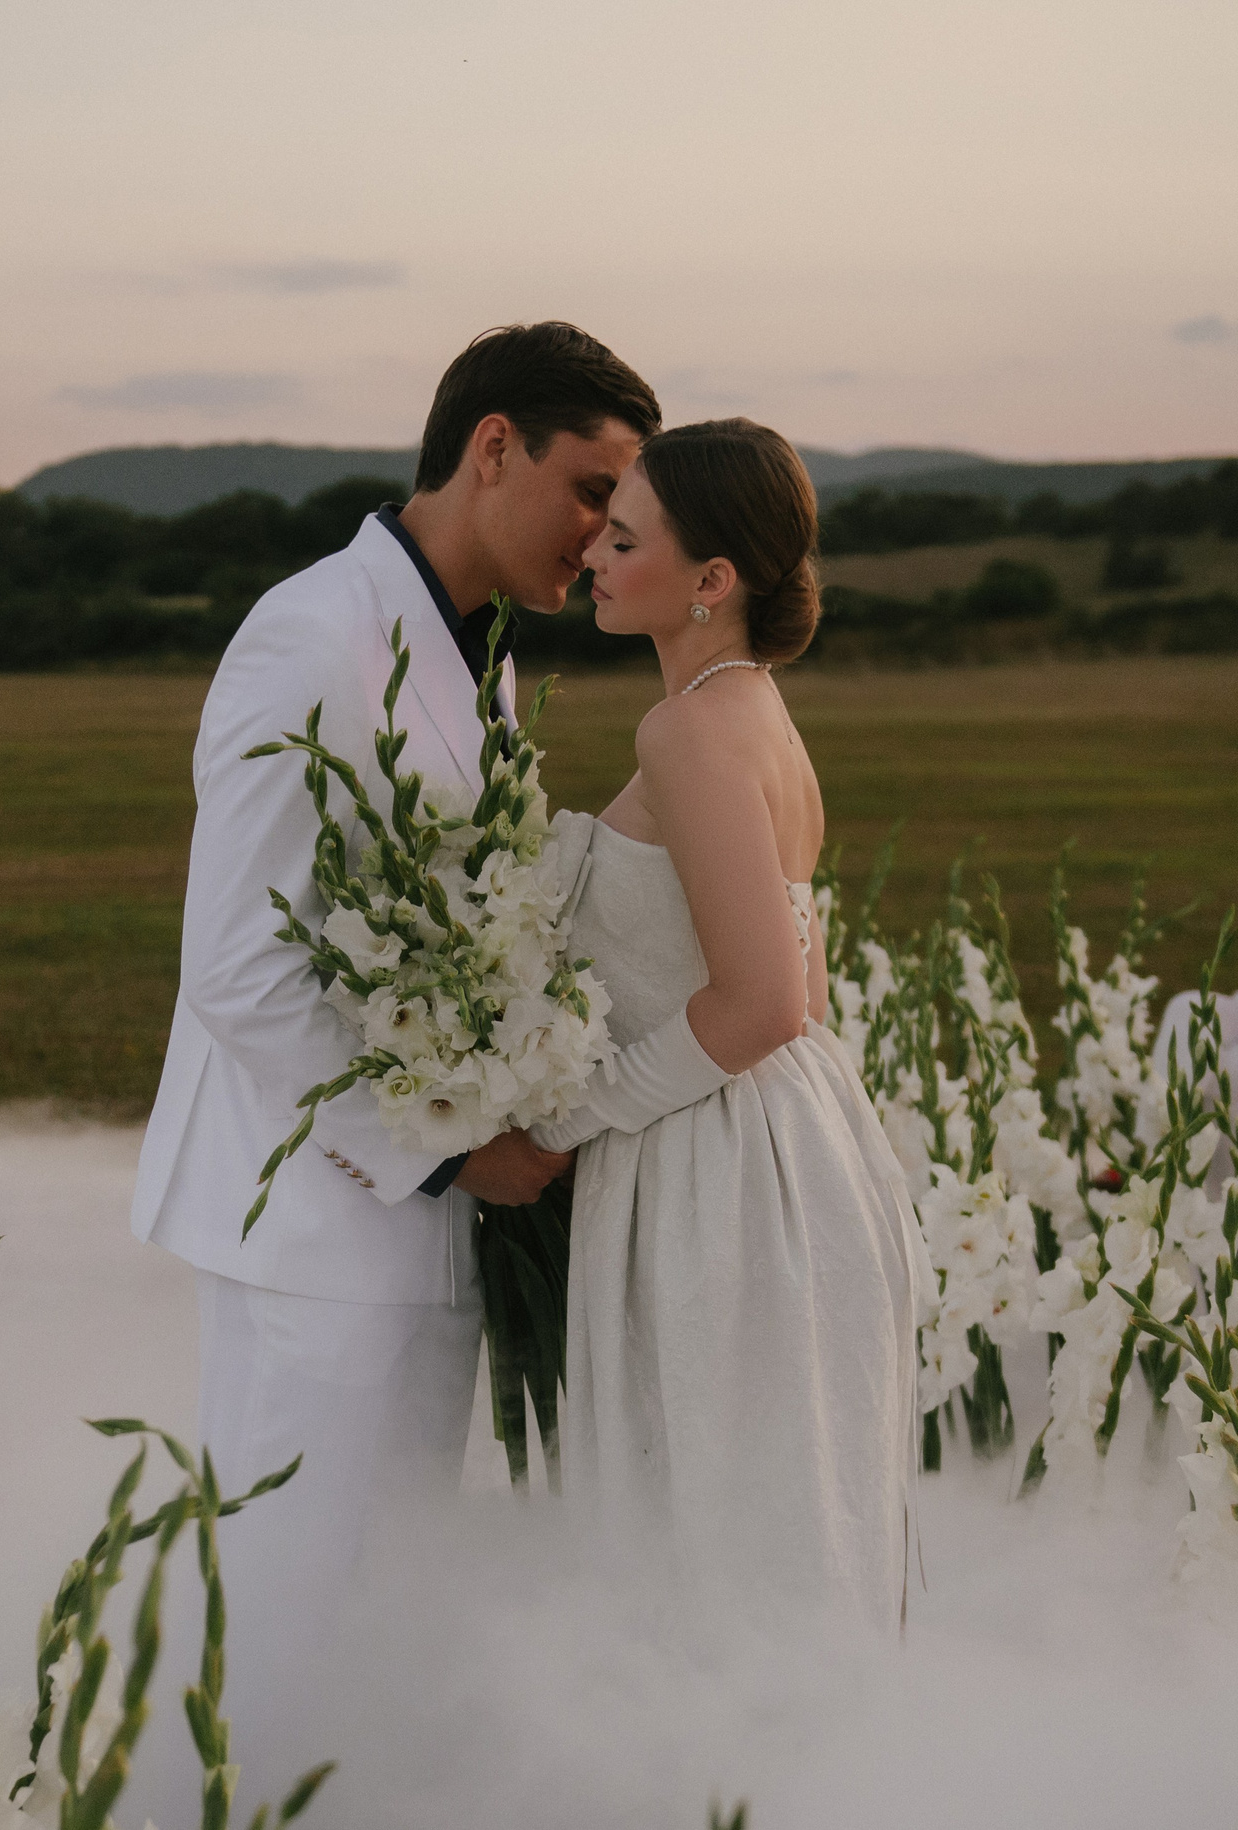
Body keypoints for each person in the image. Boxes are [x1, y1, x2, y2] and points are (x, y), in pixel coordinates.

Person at [129, 323, 659, 1789]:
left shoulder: (482, 655)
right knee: (279, 1629)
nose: (602, 533)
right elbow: (236, 962)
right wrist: (447, 1151)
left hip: (421, 1230)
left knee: (377, 1626)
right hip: (312, 1222)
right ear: (492, 446)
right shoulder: (312, 630)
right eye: (590, 488)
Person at [529, 418, 926, 1629]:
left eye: (625, 539)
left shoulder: (689, 729)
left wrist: (562, 1120)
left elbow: (760, 1005)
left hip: (715, 1177)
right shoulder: (756, 712)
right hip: (788, 1148)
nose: (592, 553)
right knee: (777, 1526)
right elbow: (802, 991)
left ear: (711, 579)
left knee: (708, 1539)